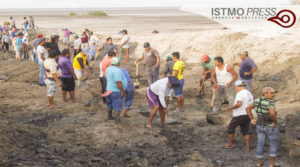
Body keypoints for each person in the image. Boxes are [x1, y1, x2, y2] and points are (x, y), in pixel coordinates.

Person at [246, 87, 279, 167]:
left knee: (260, 143)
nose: (273, 95)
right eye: (271, 93)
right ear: (265, 93)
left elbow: (248, 108)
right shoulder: (270, 102)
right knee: (273, 143)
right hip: (270, 125)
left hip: (259, 125)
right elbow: (272, 114)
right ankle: (272, 164)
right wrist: (275, 122)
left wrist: (252, 119)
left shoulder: (257, 101)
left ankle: (259, 163)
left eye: (273, 93)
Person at [225, 80, 253, 151]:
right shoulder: (249, 93)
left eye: (236, 87)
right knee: (246, 130)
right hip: (248, 114)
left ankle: (230, 144)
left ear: (237, 86)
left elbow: (239, 104)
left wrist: (230, 108)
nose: (236, 89)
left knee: (230, 127)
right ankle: (247, 147)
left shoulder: (240, 94)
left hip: (240, 114)